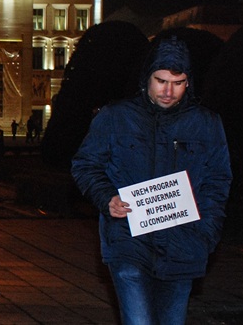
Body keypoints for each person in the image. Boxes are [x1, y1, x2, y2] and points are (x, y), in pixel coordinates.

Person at [71, 37, 232, 325]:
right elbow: (85, 164)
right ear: (147, 77)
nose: (168, 91)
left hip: (184, 247)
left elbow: (218, 181)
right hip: (129, 245)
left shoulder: (206, 124)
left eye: (178, 83)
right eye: (161, 81)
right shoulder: (116, 117)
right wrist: (107, 198)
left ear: (189, 82)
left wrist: (206, 234)